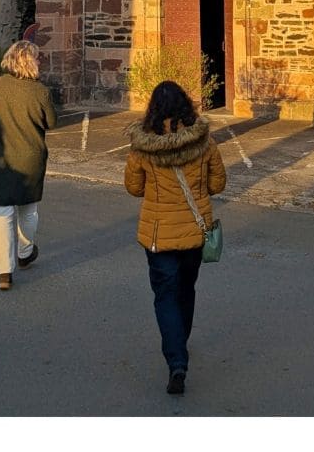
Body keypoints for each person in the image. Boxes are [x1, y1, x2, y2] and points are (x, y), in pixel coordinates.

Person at [125, 79, 227, 395]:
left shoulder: (143, 147)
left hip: (158, 235)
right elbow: (218, 184)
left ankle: (177, 361)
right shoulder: (205, 142)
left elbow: (134, 187)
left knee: (165, 295)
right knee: (186, 288)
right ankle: (179, 340)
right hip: (195, 233)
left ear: (153, 110)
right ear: (186, 105)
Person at [0, 29, 57, 291]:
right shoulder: (40, 91)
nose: (41, 62)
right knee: (28, 209)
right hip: (31, 158)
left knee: (2, 215)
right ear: (31, 62)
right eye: (38, 59)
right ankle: (25, 250)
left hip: (2, 159)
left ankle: (4, 272)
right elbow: (51, 123)